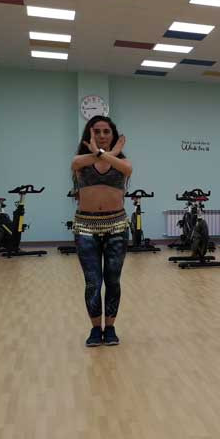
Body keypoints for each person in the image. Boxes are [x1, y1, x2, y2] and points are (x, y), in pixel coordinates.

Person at [70, 116, 132, 347]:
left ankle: (111, 327)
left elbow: (127, 169)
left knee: (112, 280)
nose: (102, 135)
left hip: (116, 226)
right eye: (97, 131)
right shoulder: (80, 161)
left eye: (107, 131)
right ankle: (96, 329)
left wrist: (107, 153)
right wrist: (109, 152)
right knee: (93, 282)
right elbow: (76, 163)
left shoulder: (122, 163)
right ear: (89, 134)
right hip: (86, 227)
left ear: (113, 134)